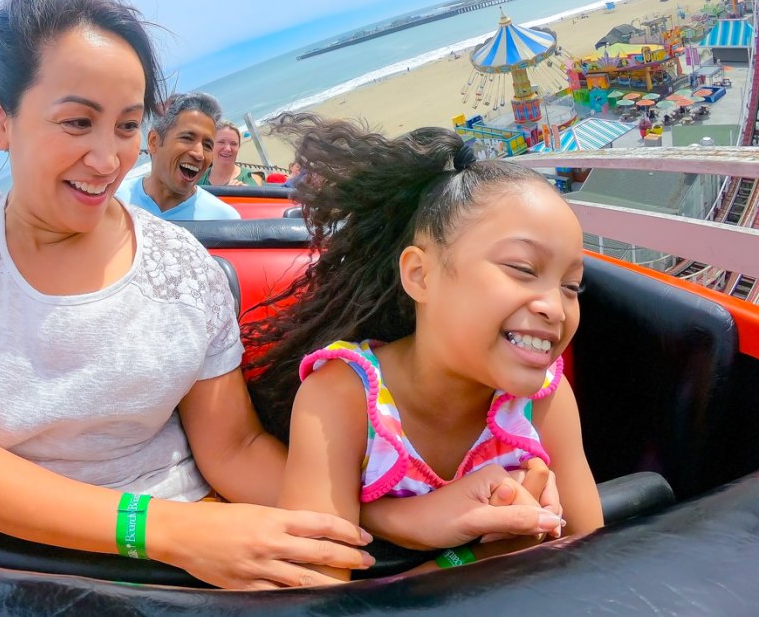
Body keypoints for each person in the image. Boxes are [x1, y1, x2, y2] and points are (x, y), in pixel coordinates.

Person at [0, 0, 564, 591]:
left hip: (195, 547)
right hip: (3, 561)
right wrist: (161, 532)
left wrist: (400, 517)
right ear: (2, 118)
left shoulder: (183, 267)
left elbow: (232, 450)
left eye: (126, 125)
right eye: (76, 122)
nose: (106, 156)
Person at [245, 115, 603, 580]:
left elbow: (593, 557)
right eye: (521, 268)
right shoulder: (343, 397)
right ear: (420, 275)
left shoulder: (544, 396)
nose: (556, 307)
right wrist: (478, 557)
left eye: (572, 286)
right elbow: (317, 592)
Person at [116, 92, 240, 220]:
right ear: (154, 141)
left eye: (207, 145)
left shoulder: (223, 219)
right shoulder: (114, 201)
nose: (199, 154)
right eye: (187, 138)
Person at [195, 121, 264, 187]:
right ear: (210, 145)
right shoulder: (196, 181)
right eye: (221, 142)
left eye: (233, 144)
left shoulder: (253, 179)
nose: (228, 149)